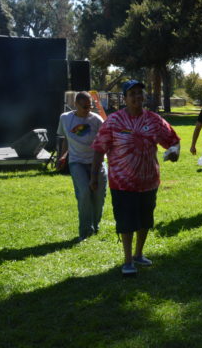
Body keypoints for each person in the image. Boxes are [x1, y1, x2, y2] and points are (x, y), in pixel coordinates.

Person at [90, 80, 181, 276]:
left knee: (145, 220)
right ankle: (127, 260)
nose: (137, 97)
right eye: (132, 94)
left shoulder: (154, 120)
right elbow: (99, 149)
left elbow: (173, 141)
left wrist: (174, 153)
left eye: (140, 93)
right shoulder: (113, 121)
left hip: (148, 181)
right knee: (126, 221)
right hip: (122, 183)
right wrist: (94, 176)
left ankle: (139, 254)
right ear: (125, 98)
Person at [56, 91, 107, 241]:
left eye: (90, 106)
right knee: (84, 193)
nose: (88, 110)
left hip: (96, 162)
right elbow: (66, 138)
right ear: (76, 105)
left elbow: (105, 142)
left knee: (98, 196)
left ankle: (95, 226)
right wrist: (63, 156)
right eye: (84, 107)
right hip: (76, 162)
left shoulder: (97, 120)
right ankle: (85, 231)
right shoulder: (65, 118)